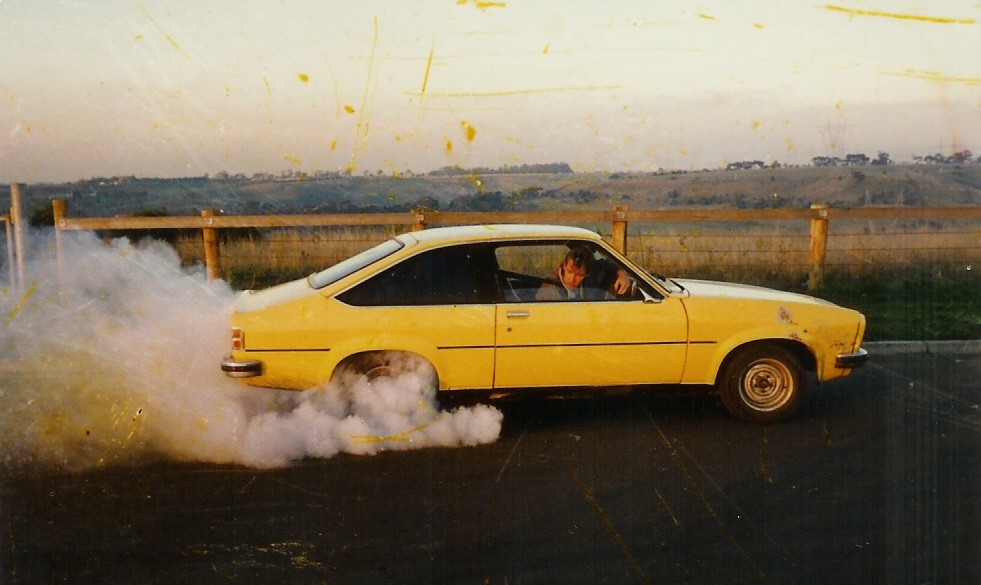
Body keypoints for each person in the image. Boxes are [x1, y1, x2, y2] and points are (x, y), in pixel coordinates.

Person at [536, 247, 630, 301]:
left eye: (579, 275)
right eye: (569, 271)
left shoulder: (593, 272)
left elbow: (607, 264)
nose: (572, 279)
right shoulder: (549, 291)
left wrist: (621, 273)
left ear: (587, 274)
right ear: (563, 266)